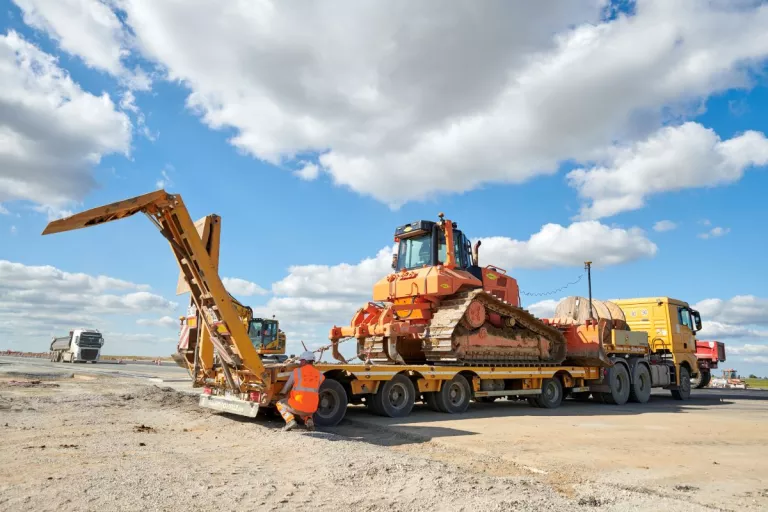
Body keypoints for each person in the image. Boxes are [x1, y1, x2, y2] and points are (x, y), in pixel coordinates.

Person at [275, 351, 325, 432]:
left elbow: (286, 388)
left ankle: (290, 421)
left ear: (304, 361)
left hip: (298, 406)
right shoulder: (320, 375)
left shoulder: (297, 372)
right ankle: (309, 421)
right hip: (313, 408)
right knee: (307, 406)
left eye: (301, 361)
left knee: (280, 403)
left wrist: (281, 394)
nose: (300, 363)